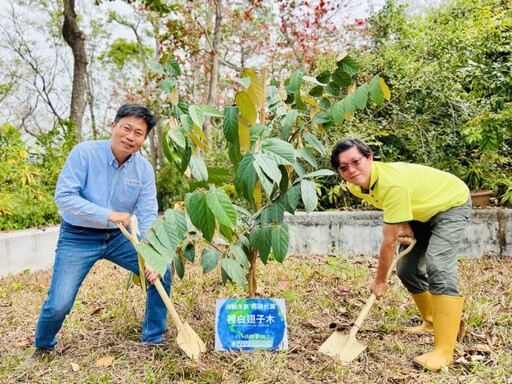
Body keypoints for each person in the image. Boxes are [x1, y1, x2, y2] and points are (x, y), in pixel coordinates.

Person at [26, 104, 171, 366]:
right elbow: (64, 198)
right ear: (113, 126)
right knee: (59, 302)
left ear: (144, 139)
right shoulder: (84, 154)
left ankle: (153, 337)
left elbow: (149, 215)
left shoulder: (144, 170)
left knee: (162, 270)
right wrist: (107, 214)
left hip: (120, 237)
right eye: (126, 128)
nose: (130, 136)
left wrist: (153, 254)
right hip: (78, 236)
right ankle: (43, 346)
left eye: (138, 133)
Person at [330, 138, 471, 372]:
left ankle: (444, 351)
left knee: (438, 264)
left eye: (356, 161)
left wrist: (380, 281)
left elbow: (389, 241)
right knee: (407, 268)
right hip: (423, 210)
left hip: (450, 204)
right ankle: (431, 321)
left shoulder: (390, 183)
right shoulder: (356, 185)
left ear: (370, 157)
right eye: (344, 167)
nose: (351, 170)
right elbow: (392, 206)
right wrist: (404, 220)